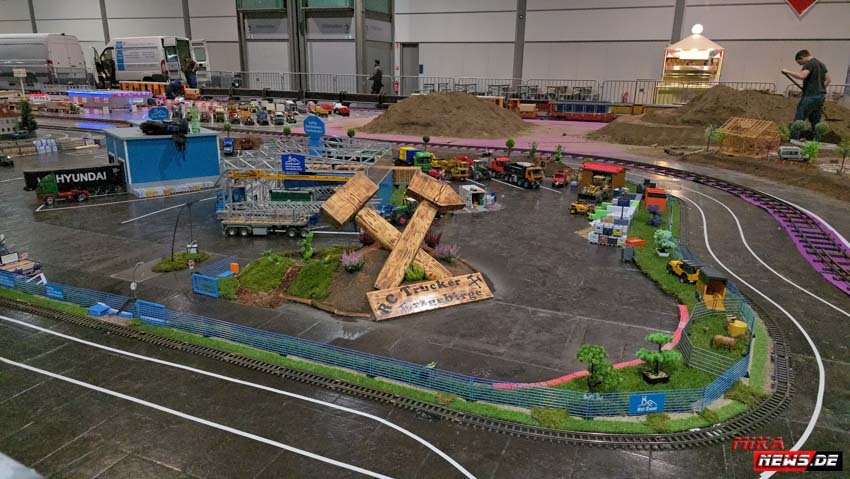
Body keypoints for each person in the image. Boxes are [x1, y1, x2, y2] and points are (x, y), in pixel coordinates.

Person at [782, 50, 831, 134]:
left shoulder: (809, 64)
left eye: (800, 62)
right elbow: (828, 80)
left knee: (799, 119)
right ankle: (816, 138)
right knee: (815, 120)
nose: (800, 65)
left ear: (802, 57)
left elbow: (802, 75)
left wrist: (787, 71)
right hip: (821, 96)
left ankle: (794, 138)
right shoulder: (821, 64)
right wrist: (819, 88)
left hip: (810, 96)